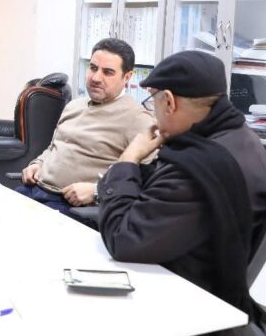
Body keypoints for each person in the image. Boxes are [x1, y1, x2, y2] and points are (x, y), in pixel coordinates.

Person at [98, 51, 266, 325]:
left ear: (169, 101)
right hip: (214, 286)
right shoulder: (244, 139)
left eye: (152, 101)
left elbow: (123, 239)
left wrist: (128, 159)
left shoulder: (194, 170)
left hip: (184, 303)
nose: (153, 112)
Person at [17, 38, 155, 221]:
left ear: (127, 77)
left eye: (108, 72)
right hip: (32, 190)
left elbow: (149, 180)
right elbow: (53, 148)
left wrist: (97, 190)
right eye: (93, 68)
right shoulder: (74, 105)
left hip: (71, 207)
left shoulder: (138, 118)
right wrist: (37, 164)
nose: (96, 78)